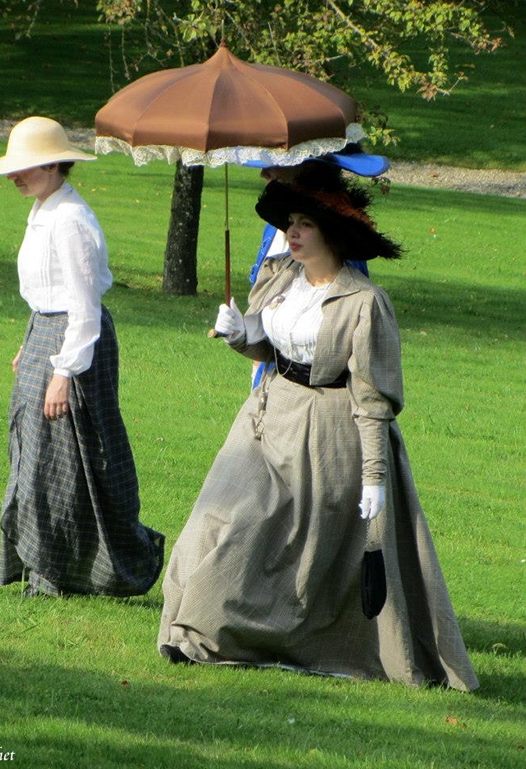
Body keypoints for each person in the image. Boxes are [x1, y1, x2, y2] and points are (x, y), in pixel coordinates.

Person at [158, 164, 478, 691]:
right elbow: (268, 348)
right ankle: (193, 631)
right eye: (291, 223)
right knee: (217, 520)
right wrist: (241, 335)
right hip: (265, 417)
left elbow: (372, 399)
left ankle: (242, 634)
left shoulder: (363, 303)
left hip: (328, 436)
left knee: (286, 546)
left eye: (304, 223)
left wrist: (374, 477)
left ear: (331, 230)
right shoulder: (281, 274)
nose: (293, 233)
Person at [0, 116, 164, 598]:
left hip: (75, 342)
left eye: (26, 167)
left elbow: (84, 306)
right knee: (36, 451)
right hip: (46, 334)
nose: (15, 176)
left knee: (76, 454)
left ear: (53, 164)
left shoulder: (71, 219)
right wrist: (32, 341)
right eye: (14, 168)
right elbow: (46, 292)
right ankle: (44, 567)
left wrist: (63, 370)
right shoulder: (44, 208)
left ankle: (88, 569)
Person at [248, 145, 386, 388]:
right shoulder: (272, 230)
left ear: (306, 166)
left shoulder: (339, 250)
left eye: (277, 160)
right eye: (291, 222)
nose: (264, 172)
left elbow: (348, 333)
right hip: (270, 385)